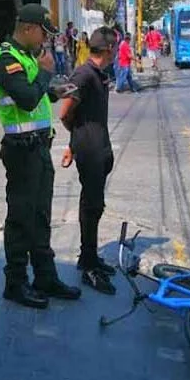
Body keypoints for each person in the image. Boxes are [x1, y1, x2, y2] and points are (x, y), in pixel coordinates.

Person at [0, 3, 80, 308]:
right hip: (21, 151)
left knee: (41, 216)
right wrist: (45, 74)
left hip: (39, 147)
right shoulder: (6, 59)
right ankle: (15, 283)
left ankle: (45, 276)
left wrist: (56, 92)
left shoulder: (28, 56)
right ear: (28, 29)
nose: (46, 39)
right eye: (43, 33)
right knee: (21, 218)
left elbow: (37, 94)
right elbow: (27, 99)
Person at [59, 27, 118, 295]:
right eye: (115, 47)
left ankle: (90, 257)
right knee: (91, 205)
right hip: (90, 149)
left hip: (98, 145)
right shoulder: (83, 74)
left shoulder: (99, 74)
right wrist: (77, 141)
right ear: (108, 49)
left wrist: (73, 144)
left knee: (96, 204)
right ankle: (88, 265)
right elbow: (65, 112)